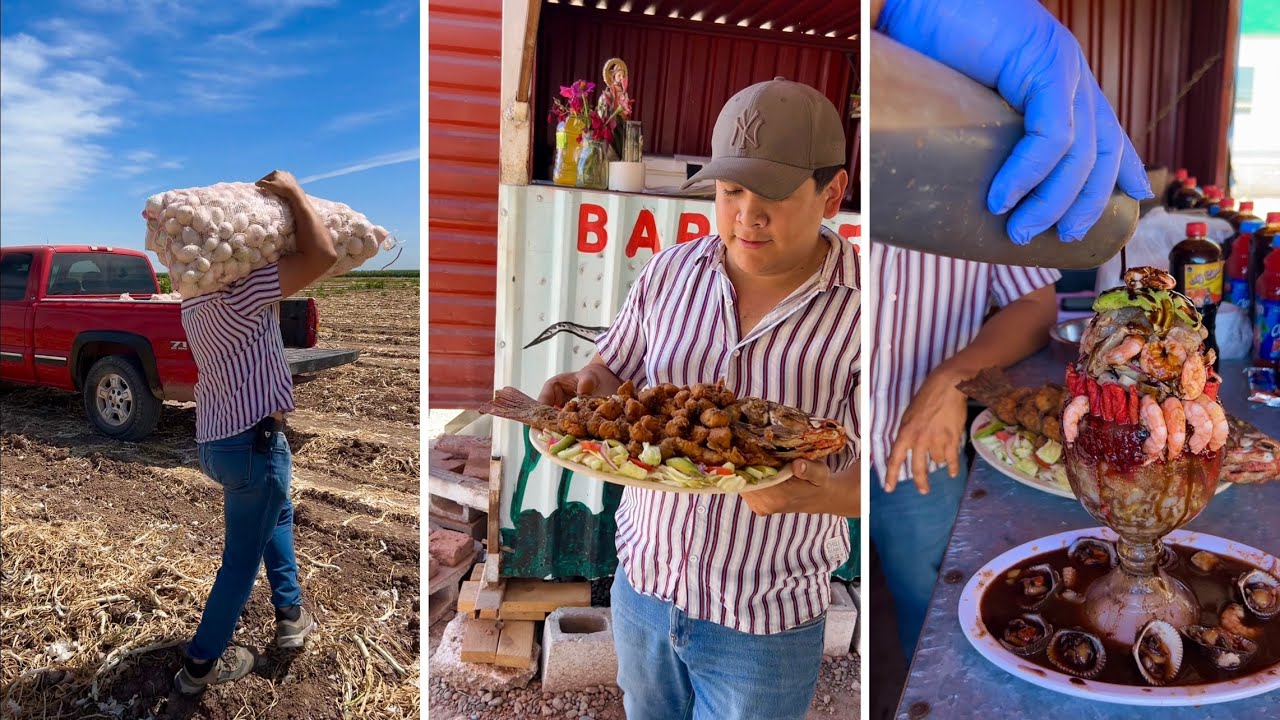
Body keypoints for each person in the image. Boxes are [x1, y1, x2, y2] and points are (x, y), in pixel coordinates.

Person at [539, 78, 859, 720]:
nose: (748, 214)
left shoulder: (868, 311)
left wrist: (824, 495)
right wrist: (586, 385)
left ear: (832, 191)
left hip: (766, 615)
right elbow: (616, 364)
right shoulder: (670, 270)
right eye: (731, 190)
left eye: (772, 193)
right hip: (644, 587)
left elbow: (886, 475)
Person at [866, 0, 1152, 663]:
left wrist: (950, 378)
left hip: (919, 456)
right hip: (822, 439)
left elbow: (1036, 306)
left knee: (931, 632)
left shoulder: (986, 164)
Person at [173, 170, 337, 694]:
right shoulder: (242, 293)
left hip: (218, 443)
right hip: (255, 445)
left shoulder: (193, 302)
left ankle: (291, 617)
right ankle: (199, 667)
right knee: (240, 561)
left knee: (277, 516)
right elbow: (324, 255)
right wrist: (292, 193)